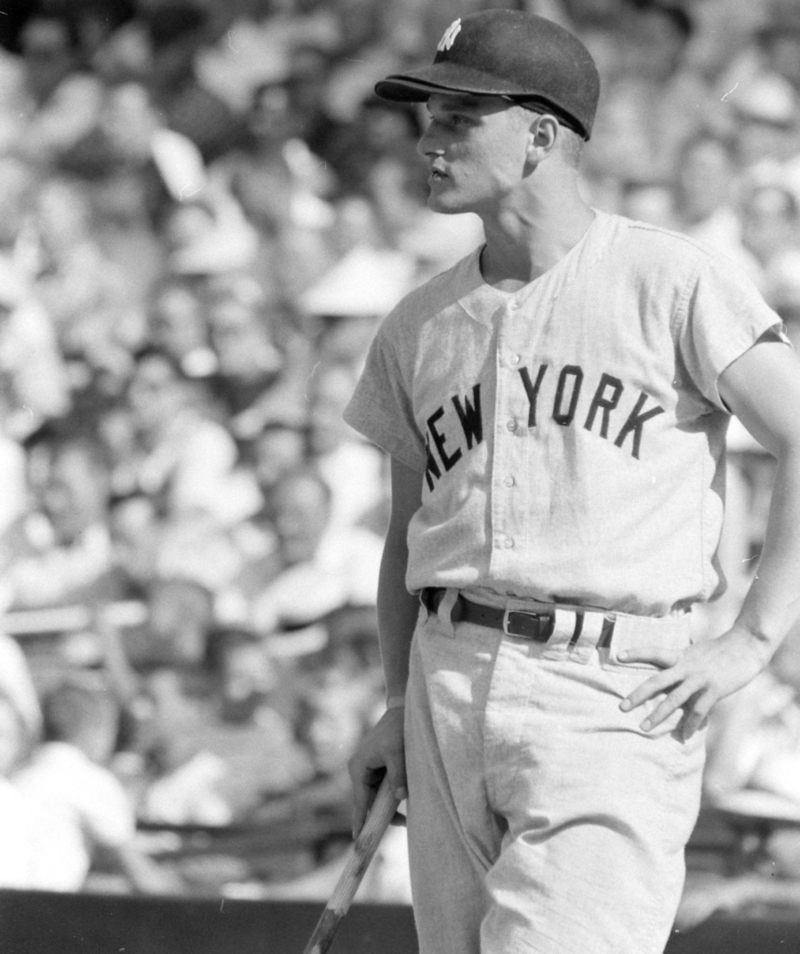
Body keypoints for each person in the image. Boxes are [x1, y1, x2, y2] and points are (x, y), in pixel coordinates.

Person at [343, 10, 800, 954]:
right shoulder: (418, 322)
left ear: (542, 135)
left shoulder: (667, 278)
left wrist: (752, 640)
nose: (429, 138)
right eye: (428, 114)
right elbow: (406, 536)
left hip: (608, 692)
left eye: (460, 117)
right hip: (447, 679)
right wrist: (396, 706)